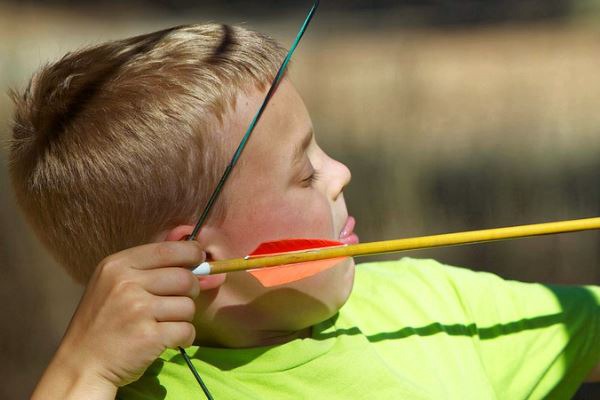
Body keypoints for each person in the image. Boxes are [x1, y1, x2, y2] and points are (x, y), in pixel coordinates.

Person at [9, 24, 600, 399]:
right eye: (305, 171)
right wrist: (83, 372)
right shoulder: (145, 390)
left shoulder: (424, 303)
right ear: (198, 257)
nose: (341, 172)